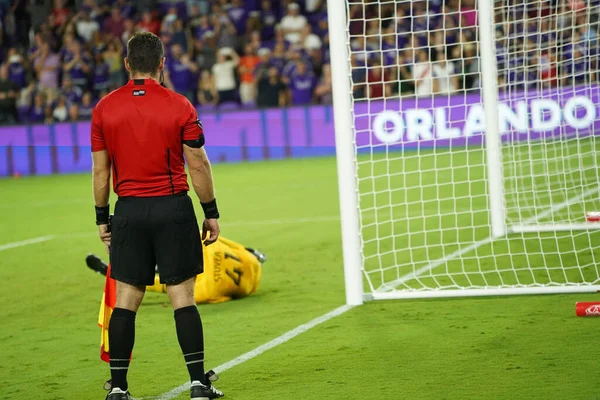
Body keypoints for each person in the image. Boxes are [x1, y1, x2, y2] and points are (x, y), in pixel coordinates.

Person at [90, 32, 223, 400]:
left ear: (128, 63)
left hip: (129, 211)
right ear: (162, 63)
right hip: (173, 209)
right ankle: (198, 383)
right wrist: (210, 212)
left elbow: (101, 173)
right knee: (182, 296)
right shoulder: (179, 105)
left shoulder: (104, 109)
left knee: (127, 300)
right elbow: (197, 164)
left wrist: (103, 218)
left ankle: (118, 388)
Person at [87, 235, 266, 304]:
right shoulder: (207, 290)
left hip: (236, 279)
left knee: (171, 282)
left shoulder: (204, 290)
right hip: (244, 274)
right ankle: (132, 272)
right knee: (171, 281)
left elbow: (160, 285)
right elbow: (223, 298)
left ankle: (122, 272)